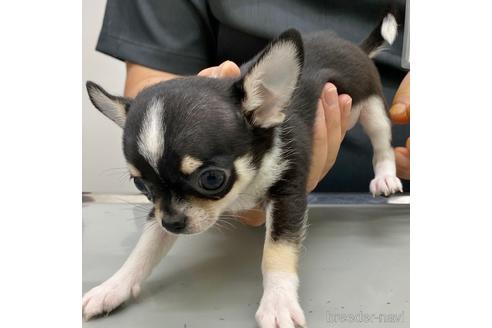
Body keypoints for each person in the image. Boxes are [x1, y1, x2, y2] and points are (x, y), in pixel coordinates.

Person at [95, 0, 410, 224]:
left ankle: (383, 163)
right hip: (237, 213)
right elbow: (152, 82)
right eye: (144, 186)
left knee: (377, 121)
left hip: (392, 217)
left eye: (211, 179)